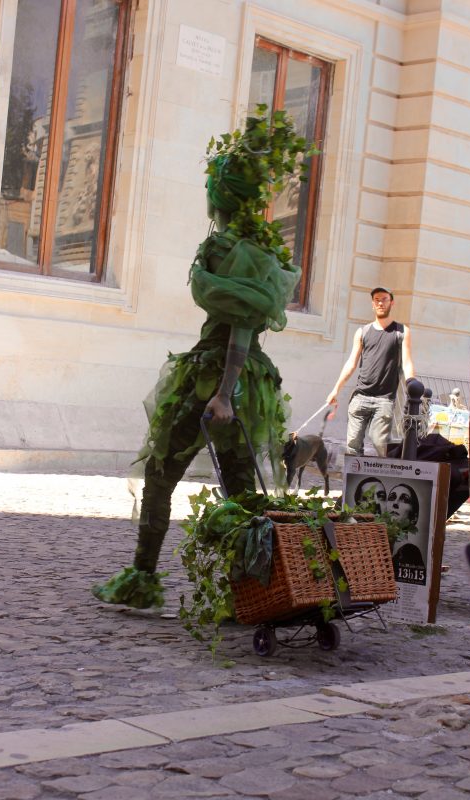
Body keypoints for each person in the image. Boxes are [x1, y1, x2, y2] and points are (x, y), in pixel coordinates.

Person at [91, 109, 308, 609]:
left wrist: (223, 392)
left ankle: (145, 579)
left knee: (163, 472)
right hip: (243, 380)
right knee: (238, 488)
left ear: (223, 198)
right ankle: (249, 592)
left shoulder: (229, 248)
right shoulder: (257, 248)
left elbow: (243, 322)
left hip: (218, 378)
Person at [327, 287, 415, 457]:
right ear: (372, 304)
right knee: (352, 447)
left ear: (392, 302)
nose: (380, 302)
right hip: (360, 398)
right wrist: (335, 389)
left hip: (384, 400)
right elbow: (351, 363)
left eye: (384, 299)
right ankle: (352, 482)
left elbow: (407, 362)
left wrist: (412, 385)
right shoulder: (362, 332)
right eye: (377, 299)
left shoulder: (401, 332)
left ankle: (385, 478)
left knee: (380, 444)